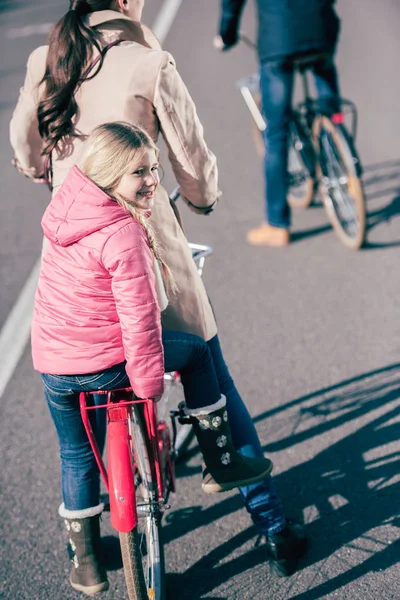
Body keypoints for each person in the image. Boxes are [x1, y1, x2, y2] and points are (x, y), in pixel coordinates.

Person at [10, 0, 306, 583]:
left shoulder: (46, 59)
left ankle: (87, 552)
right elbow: (191, 160)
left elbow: (25, 149)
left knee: (81, 412)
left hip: (70, 244)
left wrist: (49, 173)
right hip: (143, 239)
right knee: (211, 368)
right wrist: (201, 199)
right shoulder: (148, 61)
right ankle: (272, 527)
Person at [33, 121, 274, 595]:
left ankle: (86, 564)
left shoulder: (62, 210)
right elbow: (141, 325)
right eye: (139, 171)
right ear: (108, 173)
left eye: (155, 168)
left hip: (56, 368)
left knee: (76, 456)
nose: (152, 181)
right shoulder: (122, 232)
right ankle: (219, 461)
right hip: (108, 363)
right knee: (198, 354)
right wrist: (149, 388)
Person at [214, 0, 341, 247]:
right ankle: (334, 139)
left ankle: (277, 224)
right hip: (322, 28)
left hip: (279, 39)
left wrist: (226, 35)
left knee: (276, 133)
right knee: (327, 95)